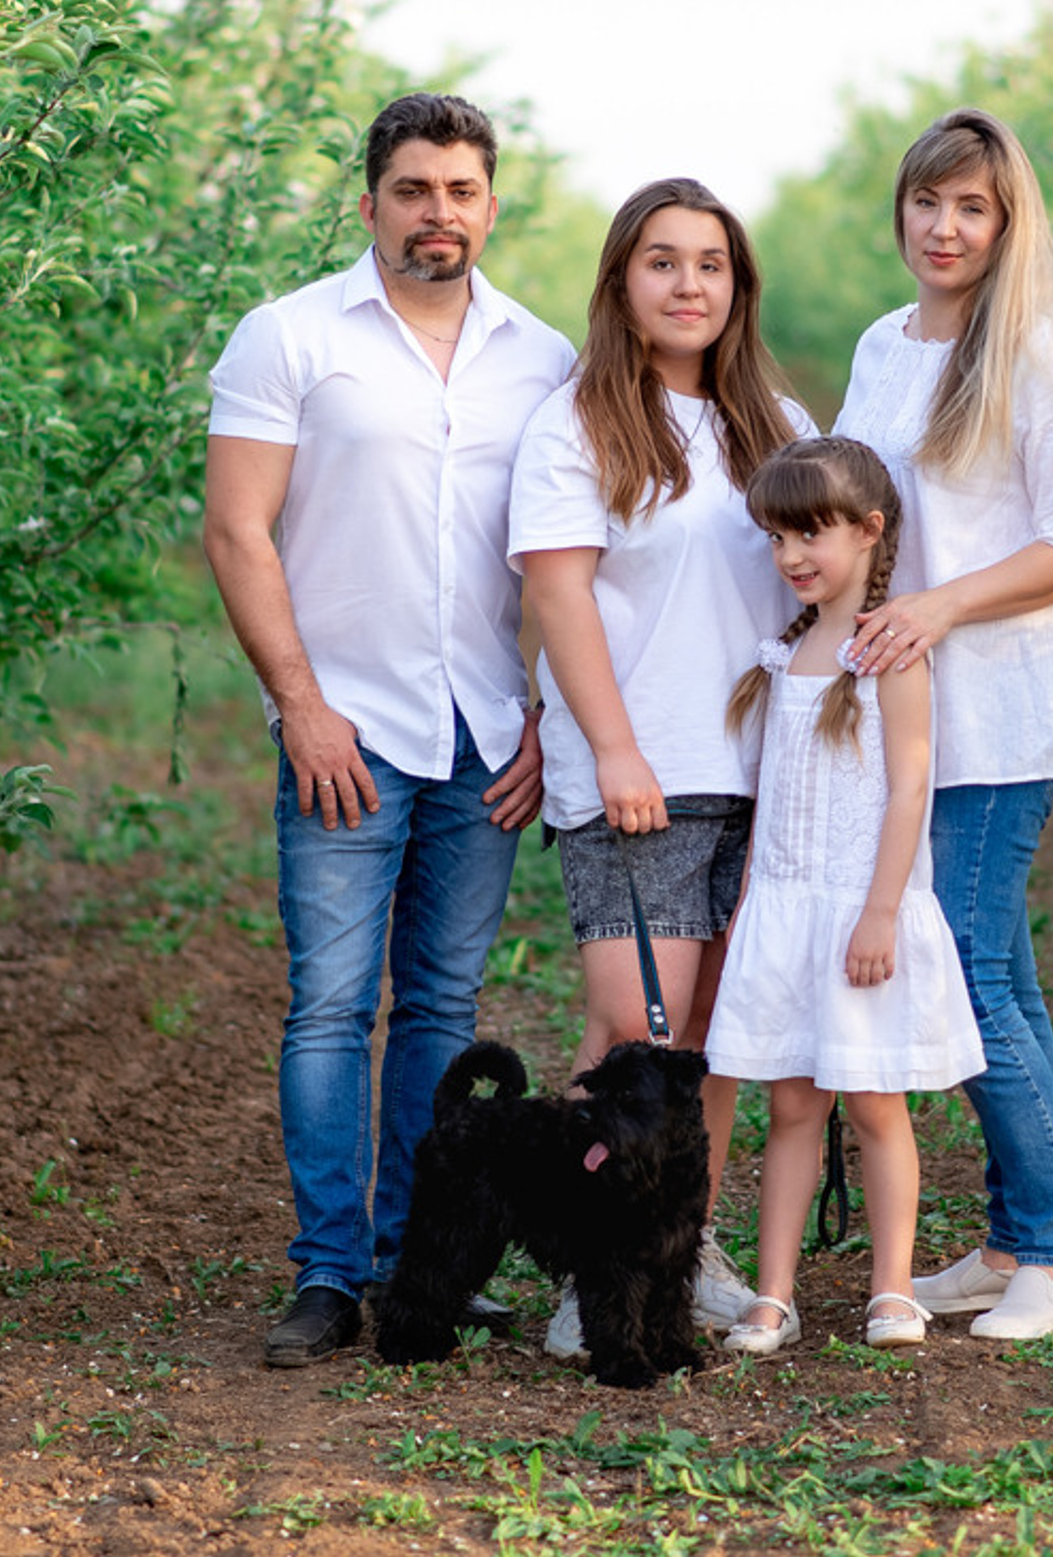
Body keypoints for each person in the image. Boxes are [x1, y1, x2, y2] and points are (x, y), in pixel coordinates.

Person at [203, 92, 575, 1369]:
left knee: (440, 1012)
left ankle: (426, 1262)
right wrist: (300, 705)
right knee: (328, 1008)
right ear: (371, 203)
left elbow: (566, 560)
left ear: (490, 205)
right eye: (415, 190)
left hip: (483, 734)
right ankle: (328, 1275)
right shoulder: (290, 337)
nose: (440, 213)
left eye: (462, 191)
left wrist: (551, 715)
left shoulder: (543, 357)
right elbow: (237, 532)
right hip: (344, 733)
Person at [834, 107, 1053, 1342]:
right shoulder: (881, 344)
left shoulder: (1041, 356)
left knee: (958, 953)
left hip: (1005, 710)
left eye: (973, 208)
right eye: (928, 203)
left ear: (1007, 226)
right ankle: (1015, 1235)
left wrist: (942, 603)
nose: (945, 228)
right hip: (907, 713)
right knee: (996, 966)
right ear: (901, 211)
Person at [508, 177, 814, 1358]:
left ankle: (684, 1250)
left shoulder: (769, 419)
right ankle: (592, 1277)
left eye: (712, 265)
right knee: (628, 1038)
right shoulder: (576, 421)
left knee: (709, 1048)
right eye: (662, 262)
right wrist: (617, 747)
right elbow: (557, 589)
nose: (689, 284)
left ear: (737, 288)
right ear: (621, 282)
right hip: (637, 776)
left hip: (758, 770)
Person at [705, 437, 984, 1354]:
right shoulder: (785, 654)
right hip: (787, 911)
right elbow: (775, 801)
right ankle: (774, 1293)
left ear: (869, 531)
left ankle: (893, 1288)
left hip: (862, 911)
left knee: (874, 1105)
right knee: (790, 1105)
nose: (791, 557)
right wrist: (751, 904)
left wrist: (878, 911)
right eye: (778, 538)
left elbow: (909, 787)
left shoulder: (888, 649)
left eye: (810, 534)